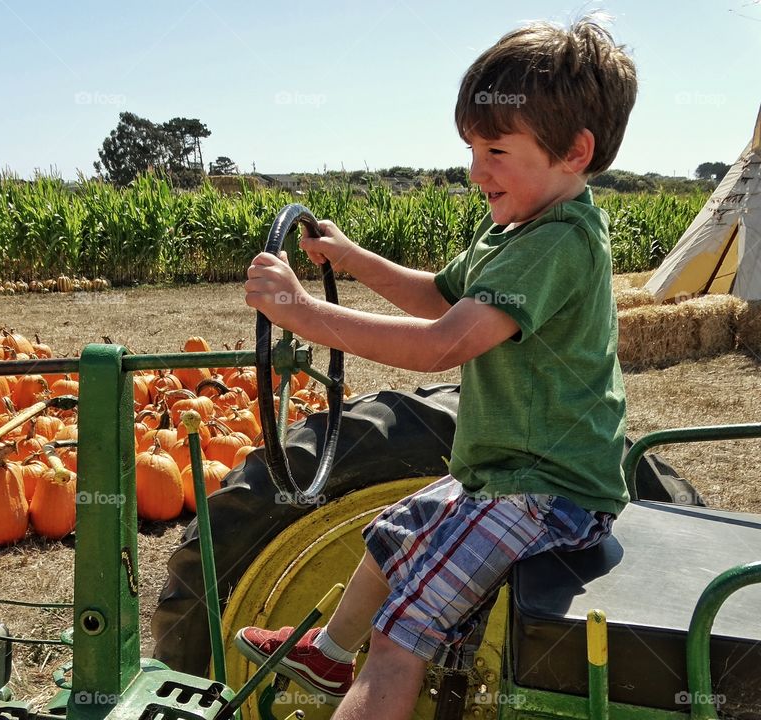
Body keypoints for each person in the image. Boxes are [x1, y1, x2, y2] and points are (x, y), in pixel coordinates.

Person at [236, 14, 638, 720]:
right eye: (472, 148)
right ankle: (329, 655)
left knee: (398, 640)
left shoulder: (560, 243)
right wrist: (353, 258)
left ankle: (360, 663)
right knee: (392, 535)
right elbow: (439, 297)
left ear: (575, 152)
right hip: (505, 476)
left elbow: (442, 344)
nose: (476, 169)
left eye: (496, 149)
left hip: (547, 492)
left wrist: (302, 314)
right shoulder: (514, 227)